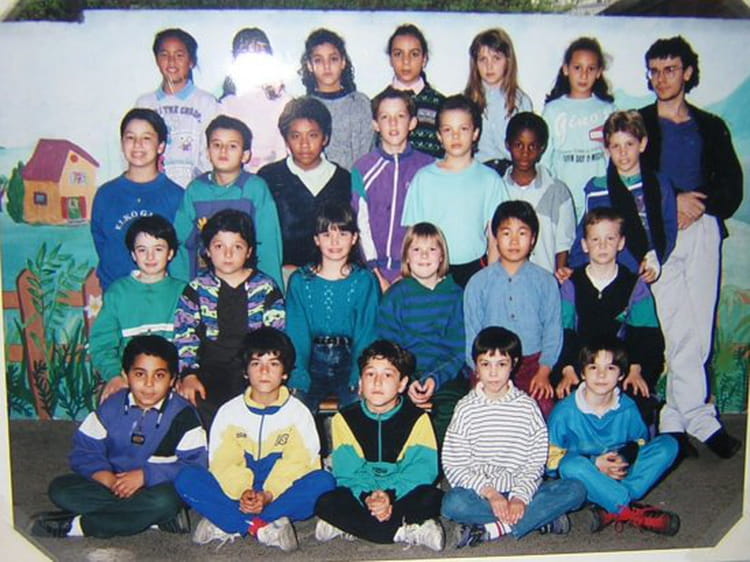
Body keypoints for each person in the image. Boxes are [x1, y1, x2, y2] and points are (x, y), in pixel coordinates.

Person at [639, 36, 743, 458]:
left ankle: (675, 419)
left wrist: (699, 204)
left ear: (687, 72)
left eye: (670, 69)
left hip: (702, 229)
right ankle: (699, 417)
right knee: (677, 327)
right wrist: (672, 200)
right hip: (658, 233)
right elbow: (627, 176)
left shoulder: (710, 126)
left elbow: (731, 187)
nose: (662, 78)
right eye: (655, 71)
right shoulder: (639, 123)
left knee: (699, 328)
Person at [175, 327, 336, 552]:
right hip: (238, 493)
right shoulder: (229, 412)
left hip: (278, 492)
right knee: (187, 477)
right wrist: (244, 492)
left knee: (323, 482)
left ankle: (230, 521)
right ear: (245, 371)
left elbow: (300, 463)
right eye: (256, 363)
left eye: (273, 364)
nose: (264, 371)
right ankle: (262, 526)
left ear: (285, 373)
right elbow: (222, 462)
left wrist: (268, 494)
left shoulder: (298, 413)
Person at [30, 335, 207, 538]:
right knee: (61, 490)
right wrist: (104, 476)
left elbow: (196, 466)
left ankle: (81, 526)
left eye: (159, 376)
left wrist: (145, 476)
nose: (148, 384)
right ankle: (152, 518)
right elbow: (84, 450)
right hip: (114, 485)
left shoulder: (184, 416)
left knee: (166, 501)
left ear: (172, 380)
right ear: (125, 375)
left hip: (159, 488)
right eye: (139, 374)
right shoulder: (110, 407)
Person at [441, 327, 586, 548]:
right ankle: (539, 519)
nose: (493, 373)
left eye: (501, 364)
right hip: (482, 494)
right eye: (485, 364)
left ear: (514, 364)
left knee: (575, 490)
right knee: (452, 504)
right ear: (476, 367)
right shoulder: (465, 408)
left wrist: (519, 497)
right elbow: (455, 463)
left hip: (522, 489)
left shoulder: (527, 407)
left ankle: (495, 528)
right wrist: (491, 494)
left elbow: (535, 461)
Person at [314, 340, 444, 550]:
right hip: (364, 493)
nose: (377, 382)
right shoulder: (344, 419)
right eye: (370, 374)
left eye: (387, 375)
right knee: (325, 501)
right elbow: (348, 473)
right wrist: (368, 497)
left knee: (433, 498)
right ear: (360, 382)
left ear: (402, 384)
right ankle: (404, 529)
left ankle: (352, 526)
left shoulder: (417, 419)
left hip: (401, 491)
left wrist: (389, 495)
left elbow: (421, 471)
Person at [547, 337, 680, 535]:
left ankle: (610, 504)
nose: (601, 375)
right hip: (585, 477)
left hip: (620, 473)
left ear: (621, 374)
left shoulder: (627, 407)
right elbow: (550, 463)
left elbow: (640, 443)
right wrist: (594, 463)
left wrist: (623, 458)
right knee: (570, 465)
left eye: (610, 368)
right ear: (582, 373)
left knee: (669, 444)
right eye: (593, 367)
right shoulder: (564, 412)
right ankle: (628, 509)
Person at [555, 208, 665, 429]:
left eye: (610, 239)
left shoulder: (635, 286)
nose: (602, 246)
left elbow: (647, 334)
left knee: (638, 404)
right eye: (595, 239)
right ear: (585, 245)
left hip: (622, 368)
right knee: (566, 404)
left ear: (621, 242)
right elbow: (564, 330)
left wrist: (635, 369)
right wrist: (567, 369)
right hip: (581, 366)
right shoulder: (571, 284)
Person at [174, 209, 285, 428]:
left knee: (256, 414)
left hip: (252, 369)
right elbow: (184, 335)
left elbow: (276, 337)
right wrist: (188, 374)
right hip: (209, 371)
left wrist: (265, 373)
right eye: (219, 246)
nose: (228, 254)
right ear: (207, 250)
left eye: (237, 247)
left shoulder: (265, 288)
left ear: (249, 251)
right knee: (197, 405)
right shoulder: (196, 288)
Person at [464, 201, 562, 418]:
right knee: (482, 414)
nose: (514, 241)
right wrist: (480, 371)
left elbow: (553, 330)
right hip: (489, 365)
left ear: (533, 239)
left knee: (543, 410)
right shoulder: (478, 283)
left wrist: (544, 371)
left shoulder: (546, 281)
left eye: (522, 233)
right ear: (495, 237)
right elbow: (471, 332)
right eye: (506, 233)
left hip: (533, 364)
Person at [401, 94, 507, 287]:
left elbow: (496, 239)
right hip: (432, 271)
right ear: (439, 136)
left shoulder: (490, 180)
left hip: (475, 270)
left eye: (463, 129)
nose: (455, 136)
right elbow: (413, 235)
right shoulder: (424, 179)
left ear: (475, 133)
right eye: (448, 130)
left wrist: (490, 280)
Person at [285, 202, 379, 414]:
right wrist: (298, 375)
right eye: (327, 235)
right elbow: (296, 333)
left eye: (343, 234)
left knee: (358, 408)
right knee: (295, 409)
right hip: (311, 361)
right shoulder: (300, 281)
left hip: (351, 359)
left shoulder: (364, 280)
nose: (334, 242)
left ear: (354, 238)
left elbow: (367, 332)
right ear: (316, 239)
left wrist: (360, 373)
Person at [377, 223, 466, 443]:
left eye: (432, 249)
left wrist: (433, 379)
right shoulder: (395, 296)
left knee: (454, 411)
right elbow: (388, 348)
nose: (424, 255)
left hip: (445, 375)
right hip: (404, 375)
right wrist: (406, 382)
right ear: (407, 257)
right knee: (393, 412)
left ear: (442, 256)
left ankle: (440, 462)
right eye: (416, 249)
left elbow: (458, 350)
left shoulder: (456, 295)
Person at [171, 114, 283, 288]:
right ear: (208, 152)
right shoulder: (196, 190)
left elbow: (268, 246)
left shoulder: (255, 189)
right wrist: (182, 290)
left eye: (232, 146)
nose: (223, 151)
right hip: (206, 285)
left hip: (248, 285)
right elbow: (182, 244)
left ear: (245, 155)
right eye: (217, 145)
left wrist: (270, 291)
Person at [566, 110, 677, 284]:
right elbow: (585, 234)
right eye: (616, 146)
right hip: (605, 272)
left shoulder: (660, 184)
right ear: (607, 149)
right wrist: (574, 270)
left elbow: (668, 228)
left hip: (645, 270)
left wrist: (655, 256)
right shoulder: (596, 189)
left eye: (629, 144)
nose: (623, 152)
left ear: (642, 144)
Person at [258, 96, 364, 278]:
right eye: (295, 136)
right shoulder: (269, 177)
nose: (304, 144)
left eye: (312, 135)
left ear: (325, 138)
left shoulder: (343, 180)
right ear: (286, 140)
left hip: (334, 275)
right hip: (282, 276)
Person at [90, 215, 186, 401]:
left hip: (171, 380)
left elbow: (192, 342)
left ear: (170, 253)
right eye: (142, 250)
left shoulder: (183, 292)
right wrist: (114, 375)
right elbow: (101, 343)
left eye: (158, 249)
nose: (150, 257)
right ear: (133, 254)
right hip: (128, 380)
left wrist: (182, 375)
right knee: (112, 407)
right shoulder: (118, 293)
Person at [90, 108, 183, 290]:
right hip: (117, 295)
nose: (137, 145)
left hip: (162, 296)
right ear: (122, 143)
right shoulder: (106, 195)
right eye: (130, 137)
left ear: (161, 146)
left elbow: (181, 254)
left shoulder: (177, 196)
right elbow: (102, 245)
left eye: (146, 138)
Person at [352, 87, 434, 291]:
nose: (393, 123)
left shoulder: (428, 168)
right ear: (375, 125)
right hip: (373, 272)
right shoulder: (362, 169)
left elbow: (430, 223)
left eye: (400, 116)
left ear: (412, 122)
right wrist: (375, 273)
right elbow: (361, 224)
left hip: (416, 271)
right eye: (385, 117)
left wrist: (409, 271)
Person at [542, 37, 616, 220]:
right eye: (577, 68)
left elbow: (615, 155)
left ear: (599, 72)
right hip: (563, 196)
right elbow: (545, 159)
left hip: (600, 194)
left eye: (590, 69)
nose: (584, 75)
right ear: (566, 69)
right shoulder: (553, 110)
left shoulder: (607, 110)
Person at [135, 28, 218, 188]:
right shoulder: (145, 103)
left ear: (191, 61)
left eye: (179, 55)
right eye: (164, 55)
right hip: (154, 189)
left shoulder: (206, 102)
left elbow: (211, 152)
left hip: (194, 190)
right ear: (157, 60)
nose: (171, 62)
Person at [502, 111, 575, 275]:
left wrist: (558, 280)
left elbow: (563, 245)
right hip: (506, 281)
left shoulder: (557, 191)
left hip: (544, 279)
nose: (525, 153)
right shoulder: (497, 189)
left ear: (542, 148)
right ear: (508, 145)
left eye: (532, 146)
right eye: (518, 145)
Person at [219, 27, 291, 172]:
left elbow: (285, 150)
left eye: (260, 54)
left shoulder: (285, 102)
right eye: (246, 54)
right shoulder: (226, 105)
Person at [300, 28, 373, 170]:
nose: (326, 66)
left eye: (333, 59)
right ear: (310, 65)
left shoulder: (360, 104)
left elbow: (367, 154)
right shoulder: (302, 108)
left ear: (343, 62)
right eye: (318, 60)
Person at [464, 28, 533, 174]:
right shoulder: (466, 102)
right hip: (476, 173)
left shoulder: (521, 102)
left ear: (508, 61)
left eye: (496, 58)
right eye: (483, 59)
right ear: (475, 64)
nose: (489, 66)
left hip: (511, 173)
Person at [380, 23, 445, 158]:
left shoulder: (441, 105)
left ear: (424, 59)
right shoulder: (378, 104)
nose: (406, 61)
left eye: (414, 54)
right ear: (390, 59)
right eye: (398, 54)